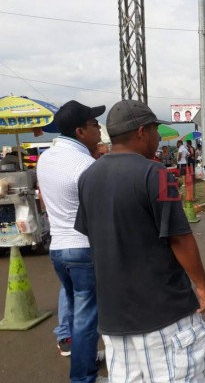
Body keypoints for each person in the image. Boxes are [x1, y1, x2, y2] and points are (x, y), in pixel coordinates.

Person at [74, 99, 205, 382]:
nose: (156, 136)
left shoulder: (88, 177)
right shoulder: (155, 174)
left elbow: (93, 234)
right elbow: (180, 239)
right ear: (142, 132)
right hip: (162, 314)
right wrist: (202, 286)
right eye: (154, 130)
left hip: (115, 319)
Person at [36, 100, 105, 383]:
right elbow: (100, 212)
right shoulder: (86, 164)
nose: (98, 127)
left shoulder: (46, 158)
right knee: (87, 318)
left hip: (58, 249)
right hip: (82, 248)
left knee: (77, 311)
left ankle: (85, 357)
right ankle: (83, 377)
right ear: (79, 131)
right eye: (93, 124)